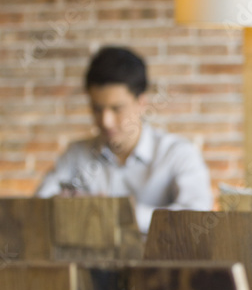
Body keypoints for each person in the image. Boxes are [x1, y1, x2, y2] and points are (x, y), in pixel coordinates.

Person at [36, 46, 212, 234]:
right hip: (87, 261)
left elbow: (198, 217)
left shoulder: (178, 153)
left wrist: (122, 213)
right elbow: (38, 209)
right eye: (97, 109)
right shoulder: (77, 154)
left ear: (141, 103)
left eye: (117, 109)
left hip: (159, 262)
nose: (106, 121)